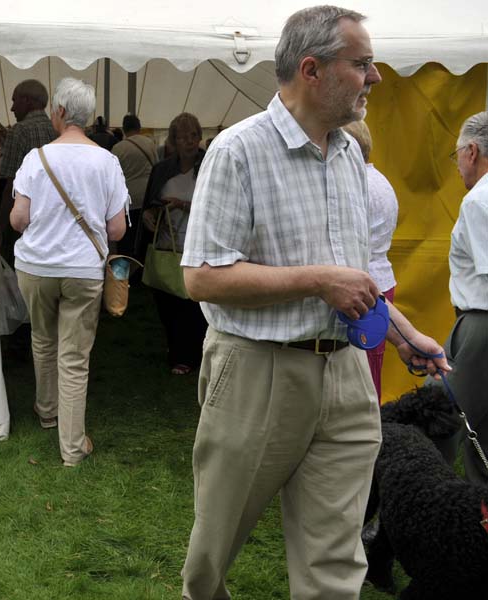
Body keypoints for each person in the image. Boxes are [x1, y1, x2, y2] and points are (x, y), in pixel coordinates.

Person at [179, 6, 450, 600]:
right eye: (362, 64)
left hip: (348, 376)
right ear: (311, 70)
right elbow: (201, 277)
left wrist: (403, 334)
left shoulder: (351, 156)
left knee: (335, 560)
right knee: (212, 554)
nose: (374, 77)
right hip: (257, 370)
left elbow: (354, 276)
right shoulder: (238, 151)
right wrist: (319, 280)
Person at [9, 77, 128, 467]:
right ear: (89, 116)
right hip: (82, 268)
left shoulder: (35, 159)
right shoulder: (107, 162)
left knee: (43, 341)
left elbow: (18, 219)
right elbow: (116, 230)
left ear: (58, 112)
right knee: (75, 358)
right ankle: (72, 448)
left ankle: (47, 412)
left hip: (36, 266)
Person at [141, 113, 207, 375]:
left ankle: (192, 355)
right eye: (182, 136)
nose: (188, 141)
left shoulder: (208, 166)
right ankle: (176, 350)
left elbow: (213, 207)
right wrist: (150, 214)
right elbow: (150, 204)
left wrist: (183, 205)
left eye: (193, 135)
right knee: (168, 302)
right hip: (167, 245)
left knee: (193, 305)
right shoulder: (162, 170)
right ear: (173, 141)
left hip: (197, 246)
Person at [444, 110, 488, 485]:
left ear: (471, 151)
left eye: (456, 154)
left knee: (440, 419)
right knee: (482, 440)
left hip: (480, 326)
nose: (457, 165)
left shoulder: (479, 200)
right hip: (476, 326)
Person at [343, 119, 398, 399]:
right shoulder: (380, 180)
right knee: (370, 367)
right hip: (379, 278)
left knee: (362, 375)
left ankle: (369, 436)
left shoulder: (357, 184)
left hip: (365, 286)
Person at [0, 80, 58, 264]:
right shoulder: (59, 130)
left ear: (27, 101)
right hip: (56, 216)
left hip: (25, 219)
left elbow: (11, 186)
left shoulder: (19, 131)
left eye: (14, 101)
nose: (11, 108)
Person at [111, 114, 156, 257]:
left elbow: (113, 177)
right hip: (148, 198)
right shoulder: (150, 143)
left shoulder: (118, 148)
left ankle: (127, 276)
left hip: (128, 202)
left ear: (124, 129)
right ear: (139, 126)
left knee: (127, 244)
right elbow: (157, 167)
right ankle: (144, 274)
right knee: (146, 242)